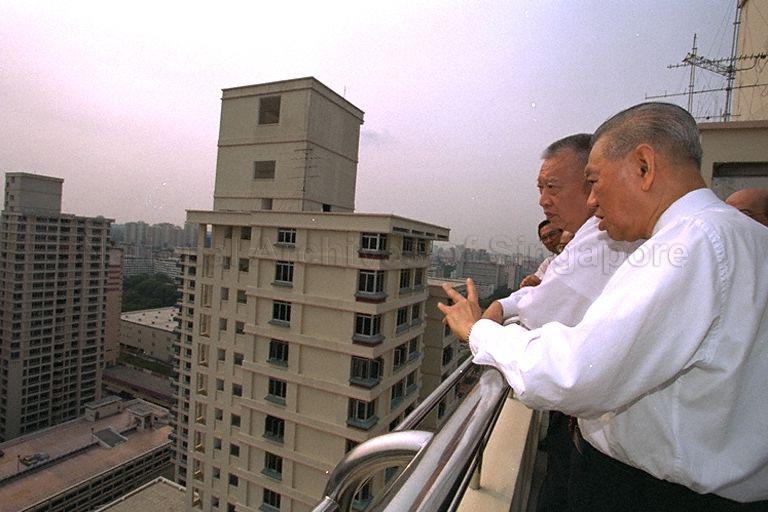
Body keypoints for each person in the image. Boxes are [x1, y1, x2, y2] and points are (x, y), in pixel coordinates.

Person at [439, 102, 768, 510]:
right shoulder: (743, 236)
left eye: (594, 181)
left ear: (644, 166)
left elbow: (575, 372)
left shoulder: (690, 246)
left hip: (671, 496)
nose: (592, 201)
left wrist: (478, 331)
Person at [518, 220, 563, 288]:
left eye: (552, 234)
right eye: (544, 238)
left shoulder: (577, 257)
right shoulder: (548, 263)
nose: (549, 240)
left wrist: (541, 284)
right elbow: (535, 280)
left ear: (562, 232)